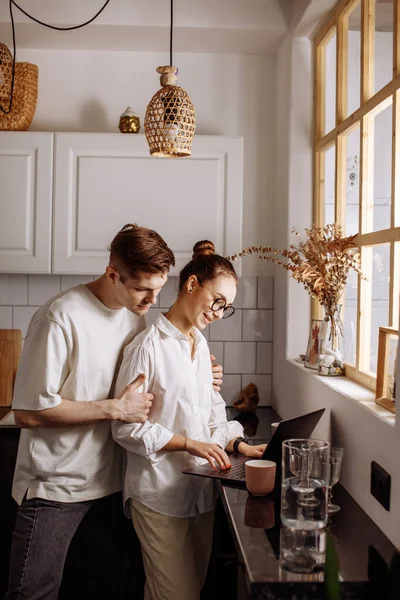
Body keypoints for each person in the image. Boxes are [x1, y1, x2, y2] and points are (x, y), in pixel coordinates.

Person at [5, 224, 223, 600]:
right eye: (142, 288)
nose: (152, 300)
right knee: (33, 593)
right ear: (112, 274)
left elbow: (145, 380)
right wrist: (114, 408)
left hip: (113, 482)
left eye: (158, 288)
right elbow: (27, 411)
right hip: (57, 484)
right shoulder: (60, 317)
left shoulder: (133, 313)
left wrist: (200, 376)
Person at [112, 241, 267, 600]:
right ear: (192, 284)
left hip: (200, 492)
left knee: (186, 590)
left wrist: (241, 445)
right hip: (158, 495)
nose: (218, 312)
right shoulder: (146, 348)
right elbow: (124, 427)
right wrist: (186, 443)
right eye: (217, 300)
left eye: (226, 308)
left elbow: (212, 412)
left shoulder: (199, 346)